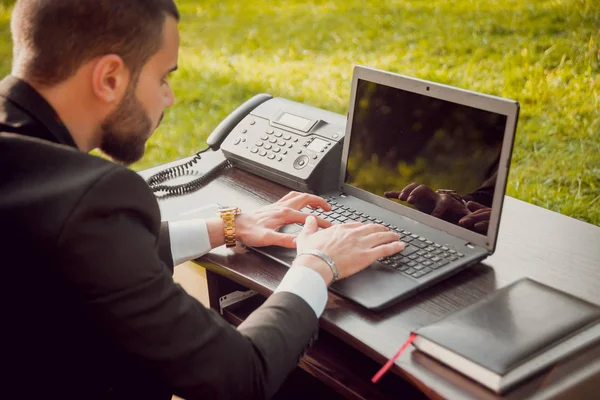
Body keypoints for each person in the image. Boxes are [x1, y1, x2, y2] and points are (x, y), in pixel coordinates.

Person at [0, 1, 405, 399]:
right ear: (109, 78)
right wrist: (319, 264)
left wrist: (224, 227)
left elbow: (63, 244)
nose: (170, 98)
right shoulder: (93, 196)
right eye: (163, 78)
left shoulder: (32, 178)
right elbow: (239, 377)